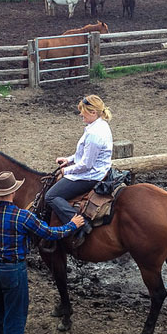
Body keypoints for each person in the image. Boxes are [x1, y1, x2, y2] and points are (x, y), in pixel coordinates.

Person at [0, 171, 83, 334]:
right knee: (15, 313)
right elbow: (50, 233)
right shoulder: (22, 216)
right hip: (13, 270)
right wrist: (71, 225)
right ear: (14, 192)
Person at [45, 94, 113, 248]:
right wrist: (68, 159)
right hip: (97, 171)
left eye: (83, 111)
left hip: (90, 176)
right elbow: (82, 155)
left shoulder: (95, 135)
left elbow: (86, 165)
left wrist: (66, 171)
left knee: (51, 196)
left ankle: (79, 223)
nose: (81, 114)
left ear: (93, 113)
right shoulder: (99, 126)